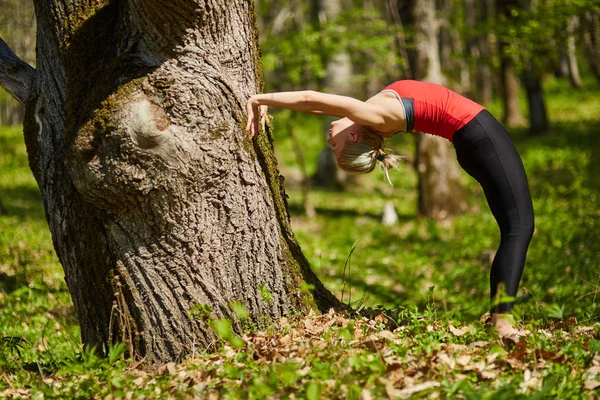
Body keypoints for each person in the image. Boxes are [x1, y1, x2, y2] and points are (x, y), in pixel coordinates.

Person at [246, 80, 535, 337]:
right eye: (334, 146)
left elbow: (316, 105)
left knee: (515, 228)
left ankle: (500, 317)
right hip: (480, 137)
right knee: (519, 228)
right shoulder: (373, 116)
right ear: (354, 137)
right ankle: (501, 321)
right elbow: (313, 99)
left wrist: (265, 101)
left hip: (477, 139)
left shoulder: (369, 114)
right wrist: (261, 99)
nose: (328, 141)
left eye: (331, 147)